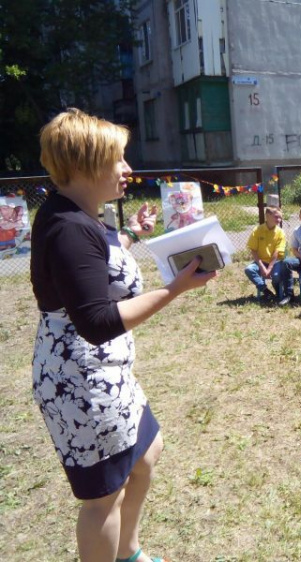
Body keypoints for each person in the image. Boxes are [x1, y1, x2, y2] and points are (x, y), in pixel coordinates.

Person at [31, 108, 217, 562]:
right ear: (85, 163)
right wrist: (174, 289)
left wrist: (132, 234)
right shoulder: (69, 228)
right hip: (83, 382)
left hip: (107, 375)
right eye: (118, 159)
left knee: (147, 450)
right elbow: (96, 321)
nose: (128, 170)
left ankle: (128, 552)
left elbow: (96, 271)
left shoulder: (80, 213)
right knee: (102, 498)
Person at [244, 206, 289, 305]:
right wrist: (262, 267)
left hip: (275, 261)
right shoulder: (257, 230)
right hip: (261, 261)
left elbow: (277, 252)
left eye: (280, 217)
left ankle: (278, 293)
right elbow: (253, 250)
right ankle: (266, 291)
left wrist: (269, 269)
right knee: (249, 269)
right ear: (267, 216)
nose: (279, 220)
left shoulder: (280, 232)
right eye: (276, 217)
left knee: (276, 277)